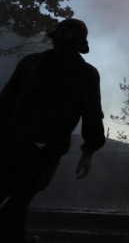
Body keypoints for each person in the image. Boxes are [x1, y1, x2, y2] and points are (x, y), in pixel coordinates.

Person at [0, 18, 106, 243]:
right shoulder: (30, 64)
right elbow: (6, 102)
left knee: (18, 202)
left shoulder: (86, 74)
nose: (68, 35)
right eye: (65, 30)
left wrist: (88, 151)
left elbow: (92, 114)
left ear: (81, 44)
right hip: (11, 144)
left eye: (73, 33)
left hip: (45, 151)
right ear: (56, 36)